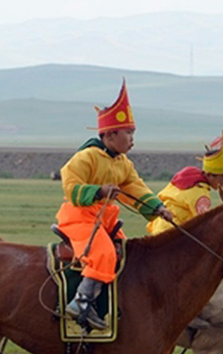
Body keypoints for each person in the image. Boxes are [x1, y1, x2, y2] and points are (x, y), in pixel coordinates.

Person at [56, 79, 173, 330]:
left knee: (126, 252)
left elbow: (135, 187)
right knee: (103, 253)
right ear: (109, 135)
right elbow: (70, 186)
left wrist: (158, 208)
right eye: (128, 133)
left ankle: (109, 303)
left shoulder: (123, 163)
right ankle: (80, 303)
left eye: (133, 133)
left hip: (105, 218)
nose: (132, 139)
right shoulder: (85, 157)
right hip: (79, 217)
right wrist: (99, 190)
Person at [146, 130, 223, 235]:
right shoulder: (201, 195)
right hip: (172, 235)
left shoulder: (186, 180)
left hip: (158, 229)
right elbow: (205, 224)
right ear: (209, 175)